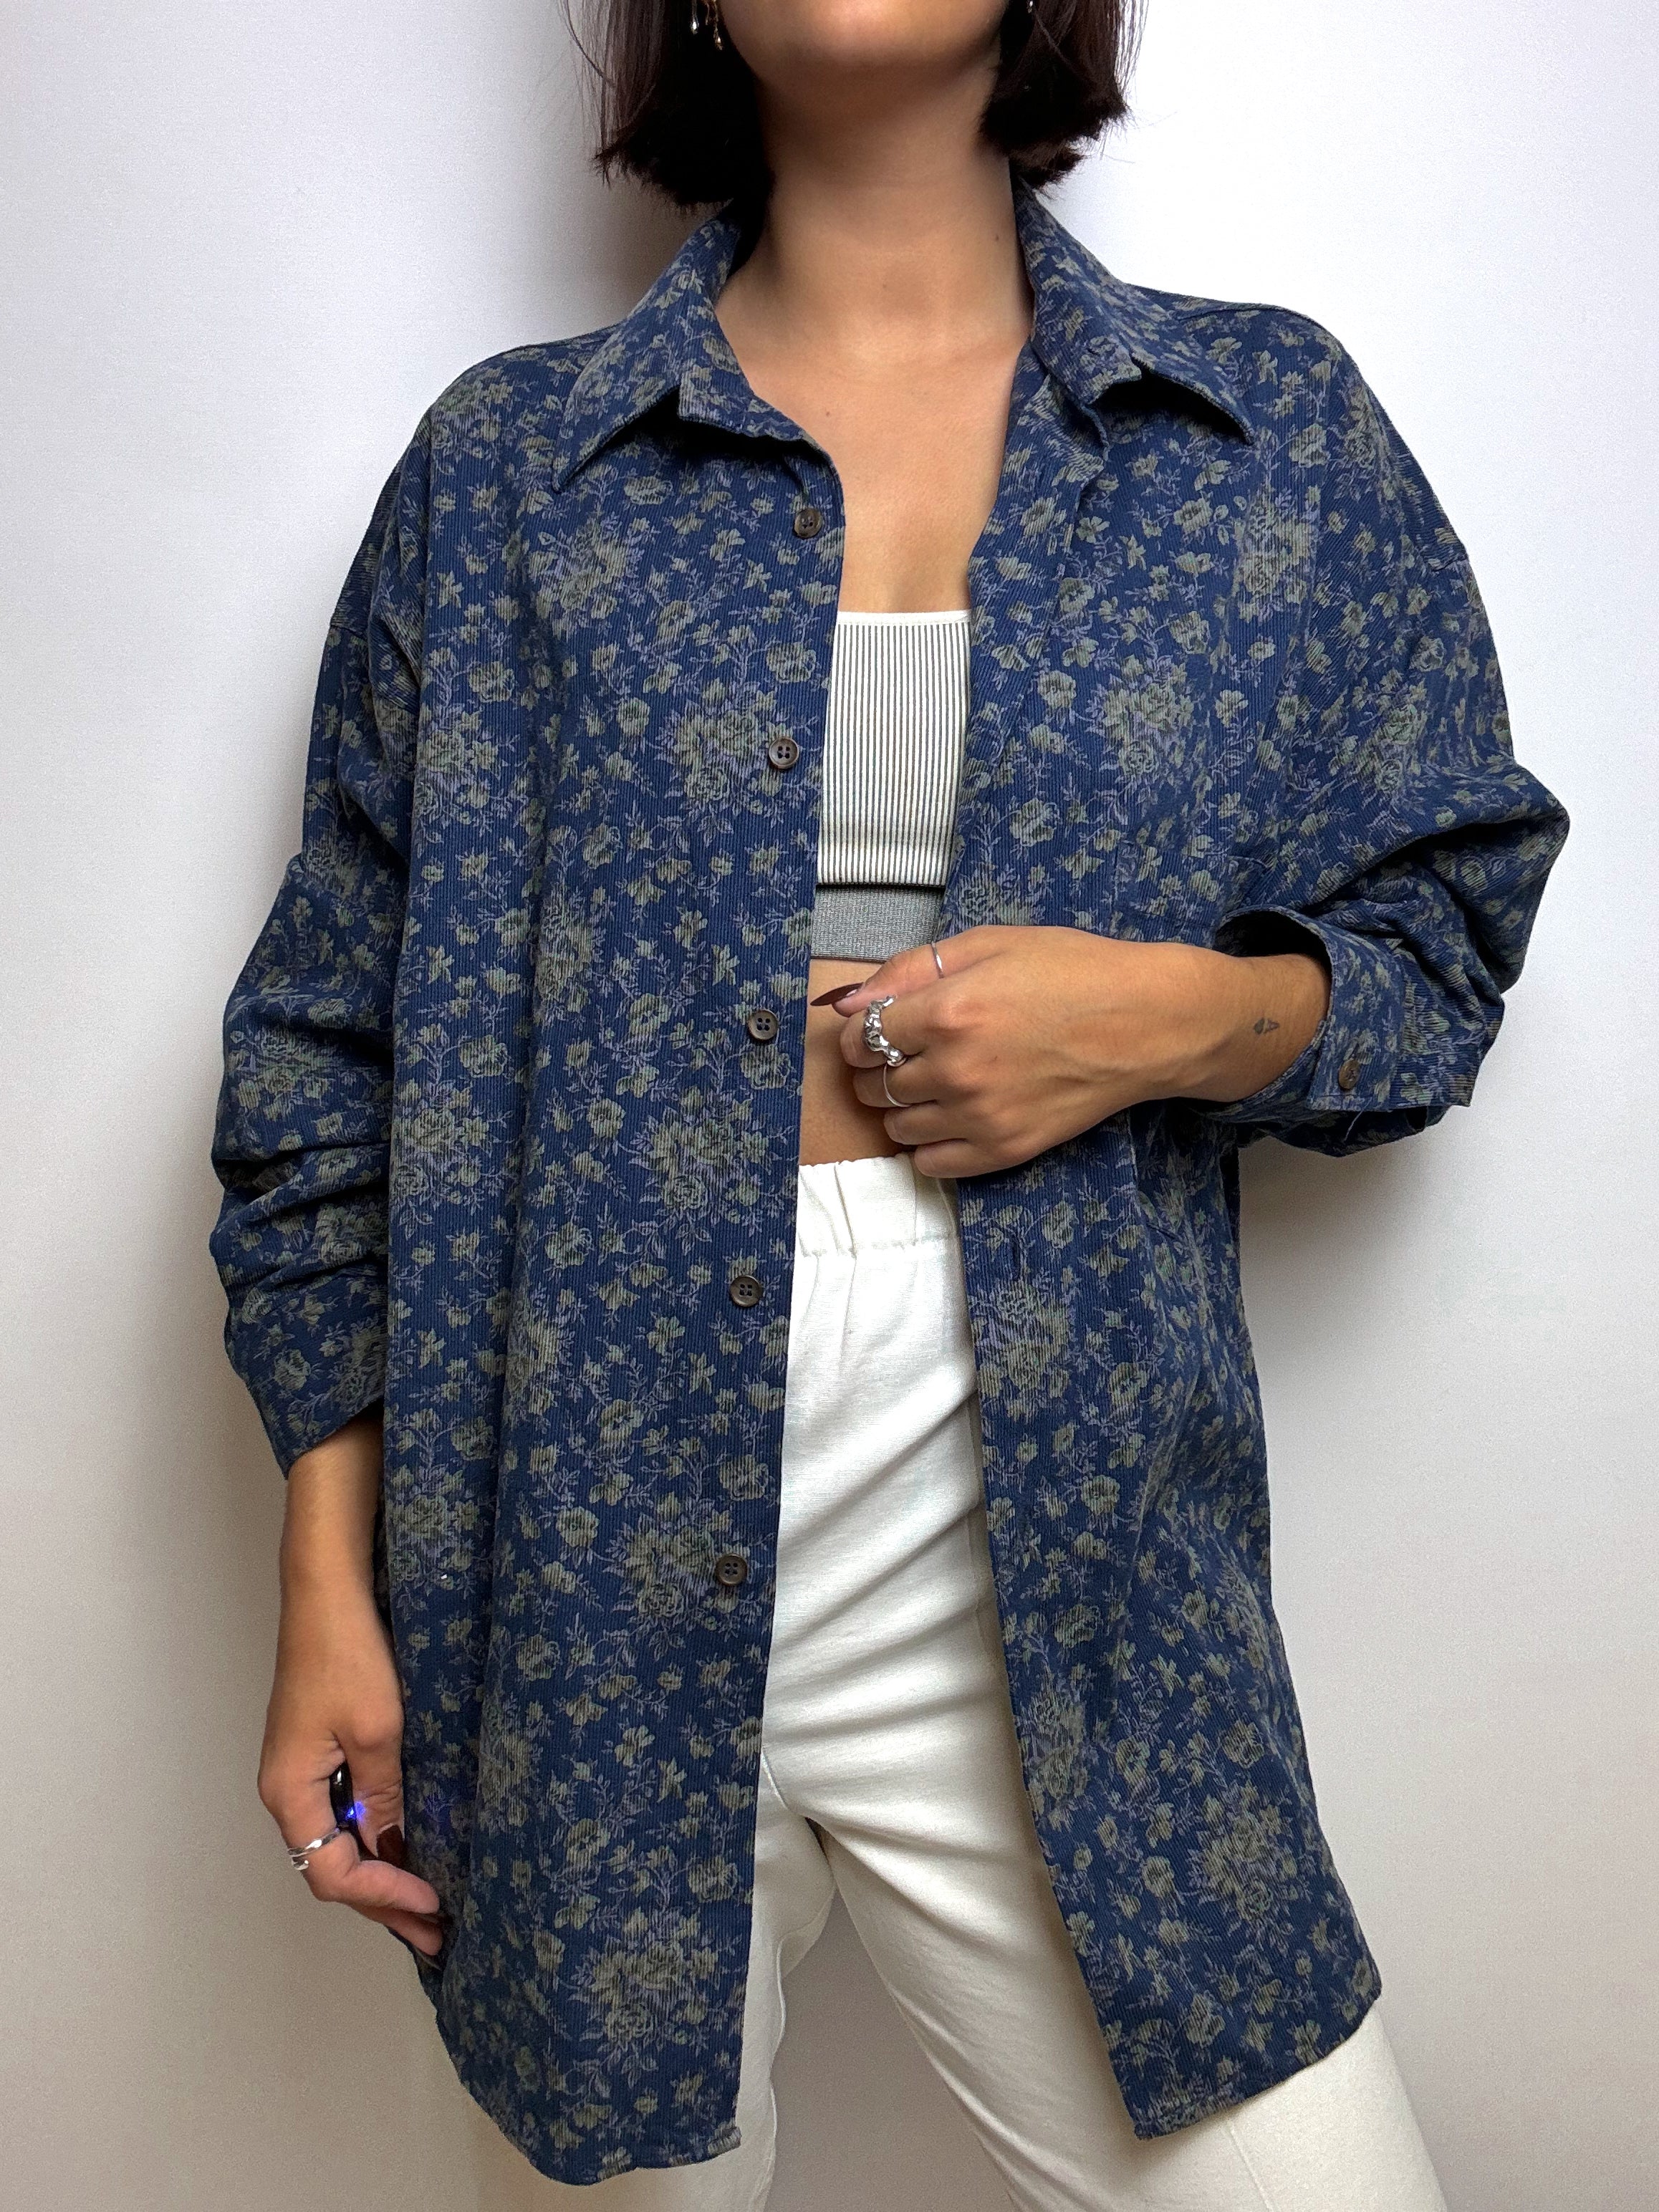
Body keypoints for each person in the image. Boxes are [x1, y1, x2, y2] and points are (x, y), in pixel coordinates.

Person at [210, 0, 1568, 2203]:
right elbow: (325, 1058)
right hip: (568, 1540)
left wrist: (1163, 1017)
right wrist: (329, 1581)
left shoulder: (1263, 430)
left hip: (1068, 1527)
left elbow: (1440, 937)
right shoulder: (510, 470)